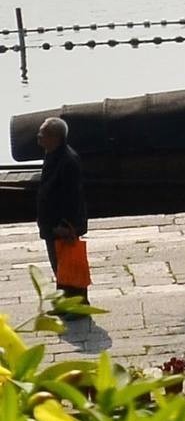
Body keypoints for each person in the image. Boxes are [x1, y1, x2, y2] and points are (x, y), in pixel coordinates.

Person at [34, 113, 90, 312]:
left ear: (55, 137)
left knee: (70, 266)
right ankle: (64, 304)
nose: (38, 138)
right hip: (51, 224)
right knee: (59, 267)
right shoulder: (52, 155)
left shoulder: (68, 161)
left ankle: (78, 306)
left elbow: (72, 197)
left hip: (63, 225)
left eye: (42, 135)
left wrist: (67, 226)